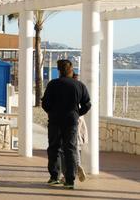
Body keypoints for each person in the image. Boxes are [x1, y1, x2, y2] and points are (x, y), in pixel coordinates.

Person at [42, 59, 91, 189]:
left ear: (59, 71)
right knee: (70, 149)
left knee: (54, 148)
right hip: (71, 121)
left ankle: (54, 177)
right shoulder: (79, 85)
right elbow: (87, 104)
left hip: (55, 121)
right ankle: (70, 180)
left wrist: (51, 112)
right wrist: (77, 113)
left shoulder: (53, 84)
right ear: (71, 70)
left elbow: (45, 103)